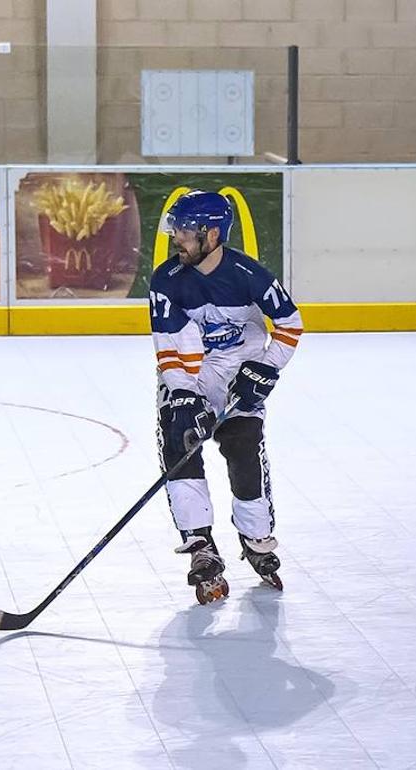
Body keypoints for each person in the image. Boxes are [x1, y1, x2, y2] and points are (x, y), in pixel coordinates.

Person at [148, 190, 303, 604]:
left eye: (183, 231)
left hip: (238, 372)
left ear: (211, 234)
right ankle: (199, 545)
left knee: (243, 447)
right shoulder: (166, 280)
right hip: (190, 374)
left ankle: (255, 537)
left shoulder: (249, 275)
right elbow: (170, 346)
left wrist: (266, 368)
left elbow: (290, 324)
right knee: (181, 444)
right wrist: (185, 396)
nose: (176, 238)